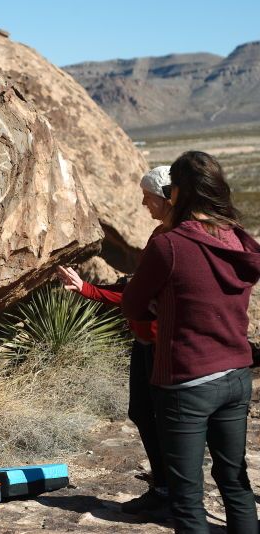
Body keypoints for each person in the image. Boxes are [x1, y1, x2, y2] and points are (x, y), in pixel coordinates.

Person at [122, 151, 260, 533]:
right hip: (235, 374)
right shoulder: (238, 239)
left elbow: (133, 304)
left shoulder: (170, 245)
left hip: (186, 379)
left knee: (186, 496)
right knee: (235, 482)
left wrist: (160, 306)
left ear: (178, 192)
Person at [56, 165, 173, 514]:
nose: (143, 203)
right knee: (142, 410)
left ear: (166, 198)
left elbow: (142, 298)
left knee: (162, 415)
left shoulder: (172, 240)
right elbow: (138, 292)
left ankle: (171, 487)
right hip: (144, 341)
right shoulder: (159, 235)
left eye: (148, 198)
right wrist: (92, 289)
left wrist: (89, 290)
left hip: (160, 345)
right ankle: (166, 483)